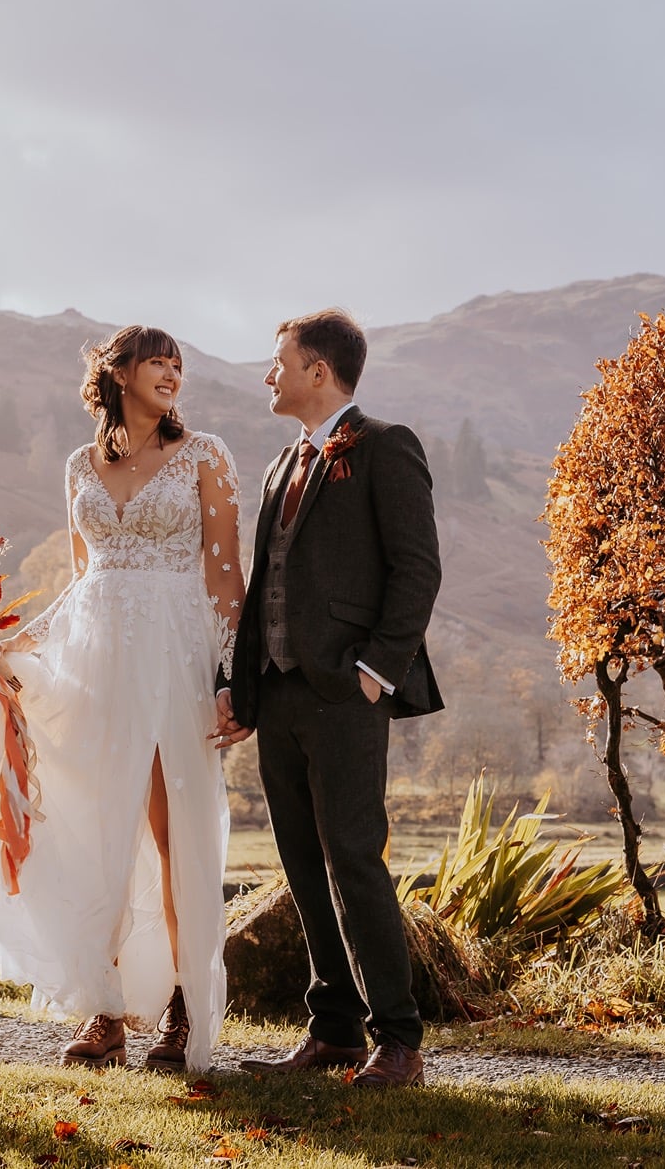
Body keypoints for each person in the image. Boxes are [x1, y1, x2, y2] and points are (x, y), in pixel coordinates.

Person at [0, 325, 244, 1073]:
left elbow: (225, 576)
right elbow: (85, 583)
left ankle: (182, 1006)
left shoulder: (206, 455)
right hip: (97, 662)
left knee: (174, 837)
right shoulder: (80, 465)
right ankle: (104, 1009)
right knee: (95, 831)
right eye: (157, 361)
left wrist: (232, 677)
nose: (172, 373)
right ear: (119, 374)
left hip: (174, 659)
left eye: (178, 364)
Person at [212, 308, 443, 1089]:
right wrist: (244, 688)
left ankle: (399, 1039)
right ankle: (334, 1028)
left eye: (278, 362)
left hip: (346, 691)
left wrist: (376, 670)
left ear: (318, 371)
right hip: (279, 693)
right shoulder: (282, 463)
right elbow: (264, 586)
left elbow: (417, 568)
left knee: (353, 856)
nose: (267, 375)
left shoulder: (384, 446)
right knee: (303, 863)